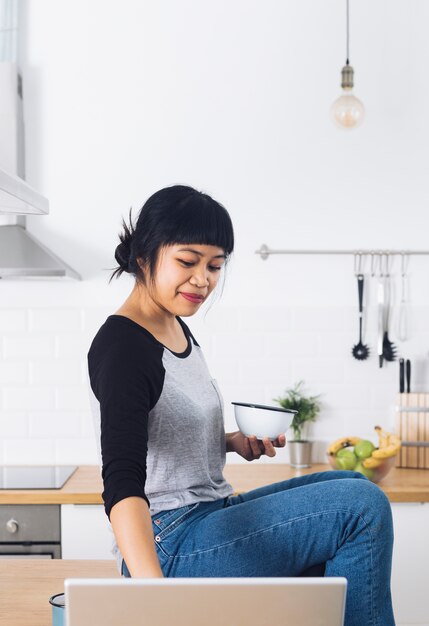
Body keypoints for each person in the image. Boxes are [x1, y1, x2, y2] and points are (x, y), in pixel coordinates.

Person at [88, 184, 396, 626]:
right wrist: (151, 599)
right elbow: (122, 483)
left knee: (347, 479)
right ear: (144, 256)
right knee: (360, 506)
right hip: (169, 543)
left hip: (210, 513)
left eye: (215, 265)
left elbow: (165, 429)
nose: (203, 279)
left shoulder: (174, 327)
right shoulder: (123, 347)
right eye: (187, 261)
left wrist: (232, 442)